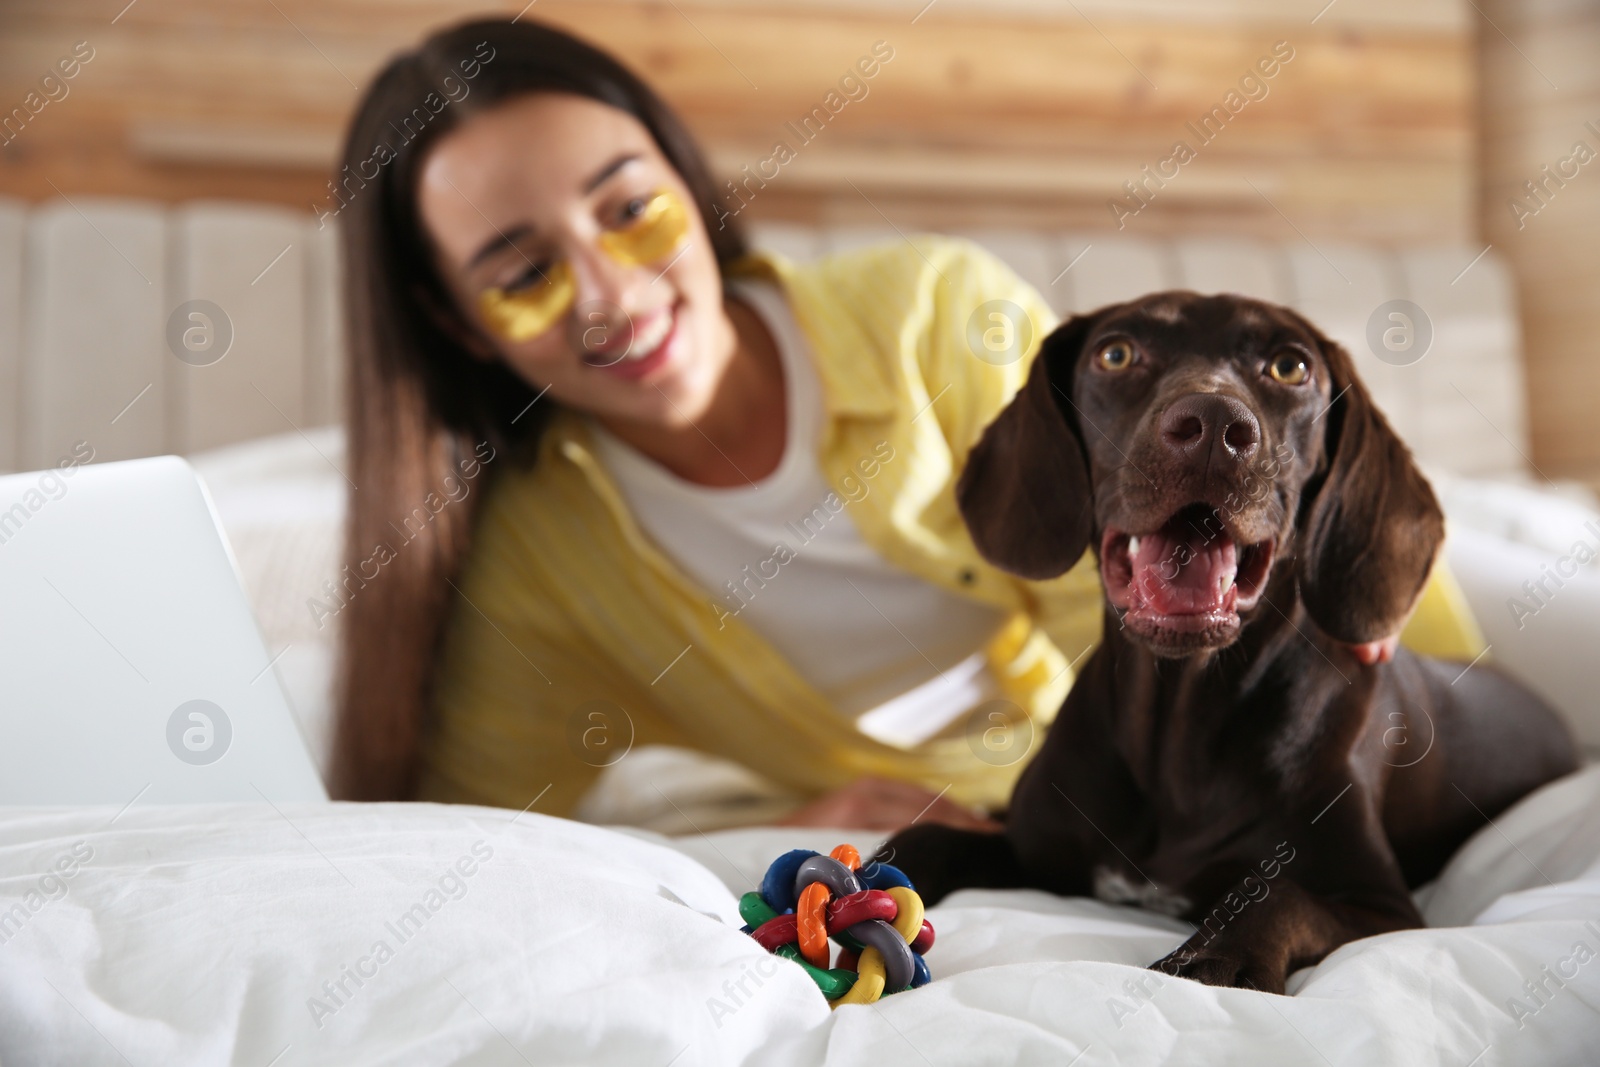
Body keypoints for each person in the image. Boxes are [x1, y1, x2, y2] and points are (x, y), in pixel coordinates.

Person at [327, 17, 1486, 830]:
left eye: (630, 210)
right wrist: (786, 822)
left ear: (687, 182)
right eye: (523, 271)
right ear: (461, 322)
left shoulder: (932, 314)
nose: (610, 294)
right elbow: (473, 836)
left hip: (1191, 750)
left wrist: (1418, 690)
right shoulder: (538, 551)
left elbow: (1205, 590)